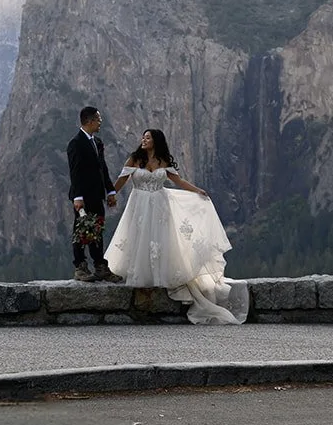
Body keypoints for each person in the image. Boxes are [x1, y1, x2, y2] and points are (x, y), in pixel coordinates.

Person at [104, 128, 246, 325]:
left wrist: (197, 191)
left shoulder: (163, 160)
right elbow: (120, 181)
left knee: (161, 242)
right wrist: (111, 195)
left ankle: (160, 277)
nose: (143, 140)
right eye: (143, 137)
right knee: (139, 239)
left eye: (148, 138)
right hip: (139, 206)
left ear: (156, 141)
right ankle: (141, 278)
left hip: (160, 207)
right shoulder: (134, 159)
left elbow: (178, 181)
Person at [66, 106, 120, 282]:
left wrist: (110, 190)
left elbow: (102, 168)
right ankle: (80, 267)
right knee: (81, 230)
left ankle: (100, 266)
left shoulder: (97, 143)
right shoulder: (76, 143)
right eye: (98, 119)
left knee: (97, 230)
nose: (100, 122)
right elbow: (75, 172)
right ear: (89, 121)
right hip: (83, 197)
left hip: (97, 195)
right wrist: (77, 197)